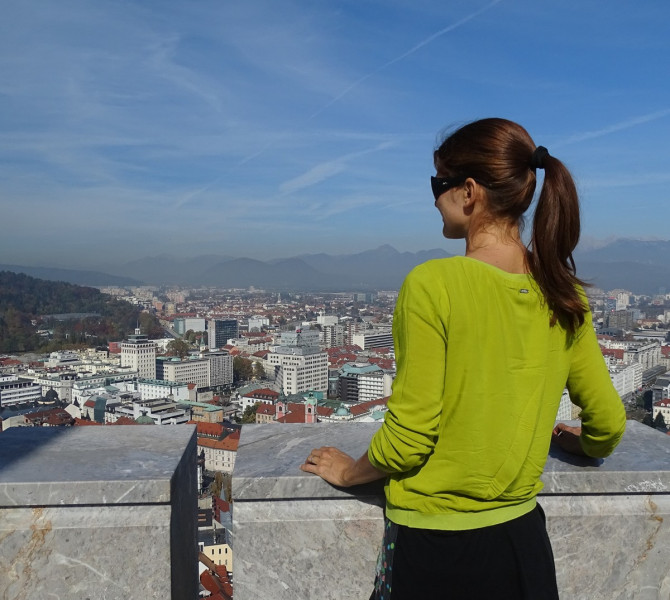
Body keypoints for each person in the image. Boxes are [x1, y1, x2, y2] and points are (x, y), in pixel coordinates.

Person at [300, 118, 626, 599]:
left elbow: (410, 438)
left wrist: (348, 472)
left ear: (469, 191)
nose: (433, 197)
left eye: (438, 183)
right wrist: (582, 445)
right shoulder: (561, 290)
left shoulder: (433, 284)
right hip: (523, 547)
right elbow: (610, 423)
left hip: (437, 553)